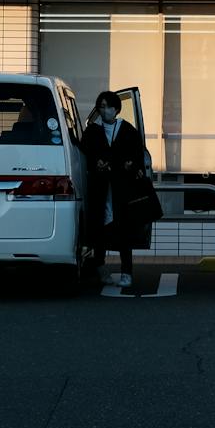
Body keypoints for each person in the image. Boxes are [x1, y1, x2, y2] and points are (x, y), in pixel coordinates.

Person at [78, 91, 159, 290]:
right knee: (99, 228)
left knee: (124, 229)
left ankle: (126, 271)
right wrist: (97, 163)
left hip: (122, 189)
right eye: (102, 106)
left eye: (108, 106)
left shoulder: (127, 130)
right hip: (100, 188)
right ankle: (100, 267)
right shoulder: (92, 131)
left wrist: (128, 165)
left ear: (117, 108)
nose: (105, 110)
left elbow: (137, 155)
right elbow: (85, 153)